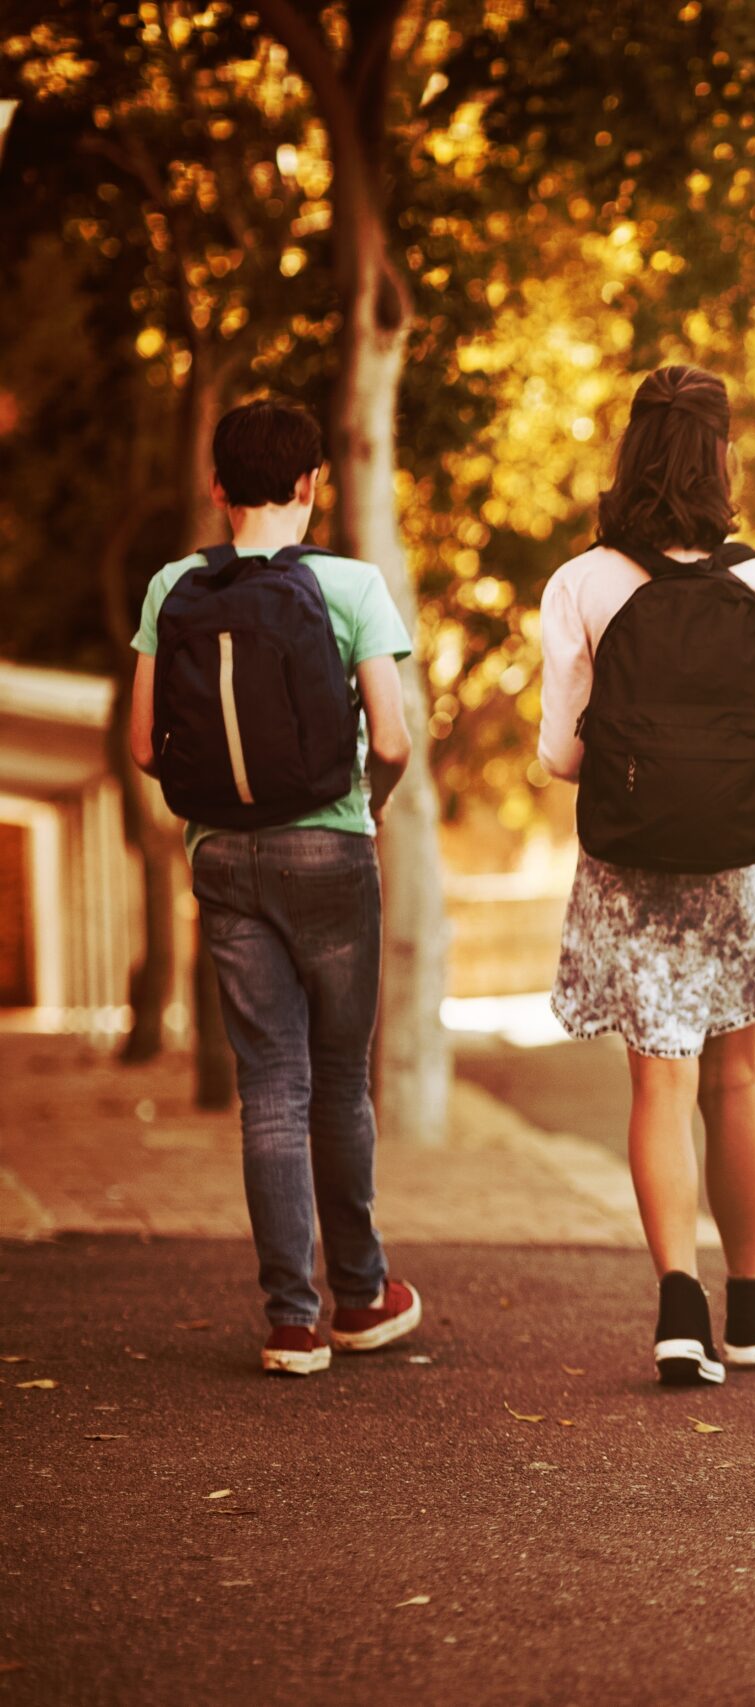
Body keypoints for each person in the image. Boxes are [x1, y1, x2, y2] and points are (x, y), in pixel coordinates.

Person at [126, 396, 423, 1376]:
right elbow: (390, 738)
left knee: (271, 1084)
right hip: (328, 850)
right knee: (338, 1079)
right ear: (308, 487)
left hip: (222, 858)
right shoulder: (351, 586)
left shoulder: (173, 587)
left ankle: (291, 1321)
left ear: (218, 489)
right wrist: (363, 806)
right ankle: (362, 1297)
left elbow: (142, 746)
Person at [539, 364, 755, 1387]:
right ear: (721, 457)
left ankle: (676, 1308)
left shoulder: (583, 583)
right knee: (733, 1078)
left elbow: (563, 758)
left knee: (657, 1085)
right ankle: (750, 1301)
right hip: (731, 865)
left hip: (628, 865)